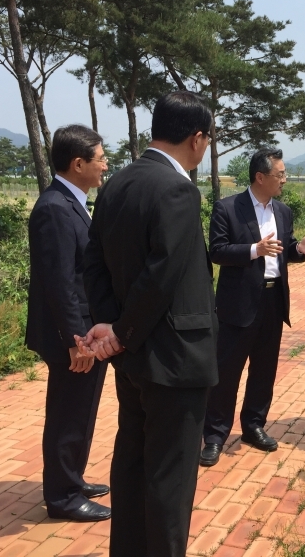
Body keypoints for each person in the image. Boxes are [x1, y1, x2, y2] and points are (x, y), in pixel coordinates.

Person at [79, 91, 218, 556]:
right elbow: (163, 274)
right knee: (170, 482)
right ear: (197, 138)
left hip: (134, 359)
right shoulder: (177, 188)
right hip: (175, 360)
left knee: (133, 466)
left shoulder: (116, 184)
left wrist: (109, 324)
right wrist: (119, 331)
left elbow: (93, 263)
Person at [200, 148, 305, 466]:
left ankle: (253, 426)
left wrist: (298, 249)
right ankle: (214, 436)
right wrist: (255, 249)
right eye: (280, 174)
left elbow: (284, 249)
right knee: (227, 373)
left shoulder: (282, 212)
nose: (284, 179)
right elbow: (218, 251)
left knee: (264, 370)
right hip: (238, 304)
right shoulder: (228, 208)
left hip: (272, 300)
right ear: (261, 177)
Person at [25, 125, 111, 522]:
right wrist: (76, 341)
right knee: (67, 414)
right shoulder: (56, 209)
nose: (105, 164)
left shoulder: (70, 202)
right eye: (100, 158)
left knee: (80, 410)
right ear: (78, 164)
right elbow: (59, 284)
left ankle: (71, 478)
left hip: (80, 331)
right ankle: (62, 498)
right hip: (71, 337)